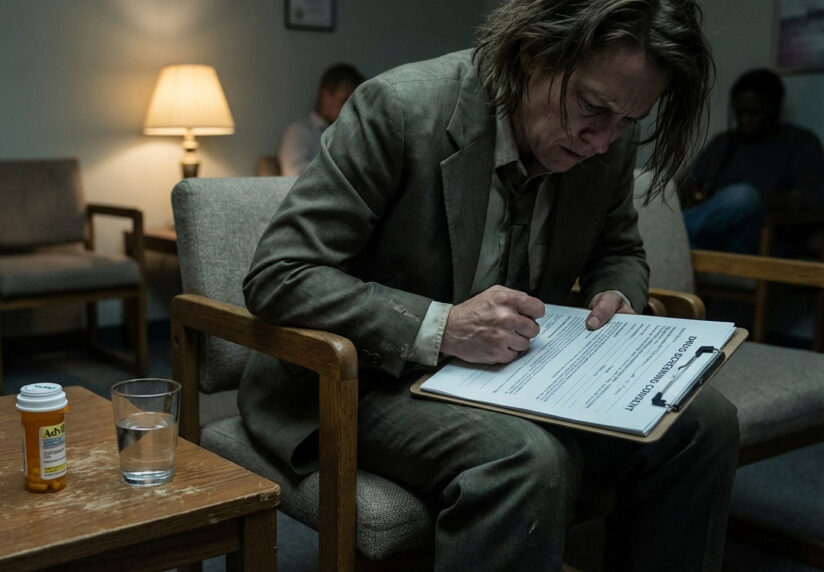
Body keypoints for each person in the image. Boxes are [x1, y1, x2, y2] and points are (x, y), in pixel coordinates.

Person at [241, 0, 740, 570]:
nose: (601, 141)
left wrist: (617, 293)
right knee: (527, 459)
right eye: (591, 107)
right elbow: (281, 275)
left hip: (524, 373)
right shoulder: (401, 108)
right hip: (371, 376)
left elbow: (619, 249)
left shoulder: (608, 141)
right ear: (532, 54)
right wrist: (443, 326)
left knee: (703, 422)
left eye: (628, 122)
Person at [680, 68, 824, 254]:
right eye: (739, 114)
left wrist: (758, 202)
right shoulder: (724, 143)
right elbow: (690, 183)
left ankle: (667, 231)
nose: (744, 121)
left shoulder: (800, 142)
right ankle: (669, 234)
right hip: (709, 236)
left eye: (753, 114)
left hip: (758, 238)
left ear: (774, 109)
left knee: (743, 196)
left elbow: (813, 198)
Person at [277, 62, 364, 176]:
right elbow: (294, 179)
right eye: (344, 100)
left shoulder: (354, 134)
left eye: (353, 102)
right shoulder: (299, 131)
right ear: (325, 95)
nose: (350, 108)